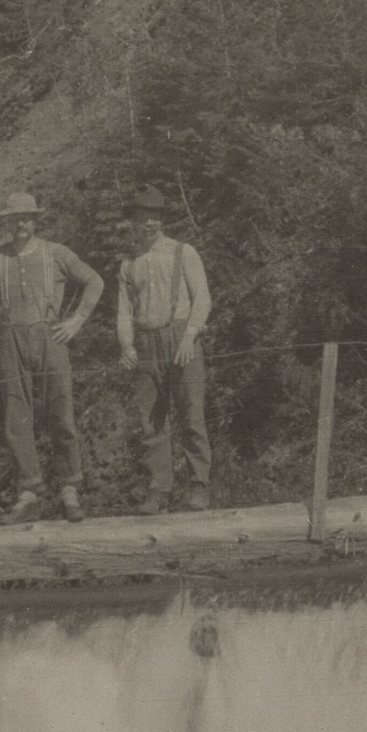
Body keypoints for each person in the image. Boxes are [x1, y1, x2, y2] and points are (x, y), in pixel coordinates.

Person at [0, 191, 105, 524]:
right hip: (11, 337)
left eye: (25, 218)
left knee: (61, 411)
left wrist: (76, 321)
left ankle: (69, 490)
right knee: (16, 416)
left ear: (36, 220)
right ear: (6, 223)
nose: (20, 224)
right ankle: (29, 493)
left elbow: (94, 281)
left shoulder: (56, 253)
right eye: (13, 220)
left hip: (50, 335)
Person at [115, 186, 213, 513]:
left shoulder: (183, 252)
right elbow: (124, 311)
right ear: (134, 221)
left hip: (181, 337)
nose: (149, 224)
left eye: (155, 218)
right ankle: (159, 490)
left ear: (162, 220)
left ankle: (199, 486)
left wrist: (190, 336)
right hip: (147, 342)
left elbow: (203, 298)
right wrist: (127, 345)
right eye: (143, 218)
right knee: (151, 419)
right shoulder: (129, 265)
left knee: (190, 412)